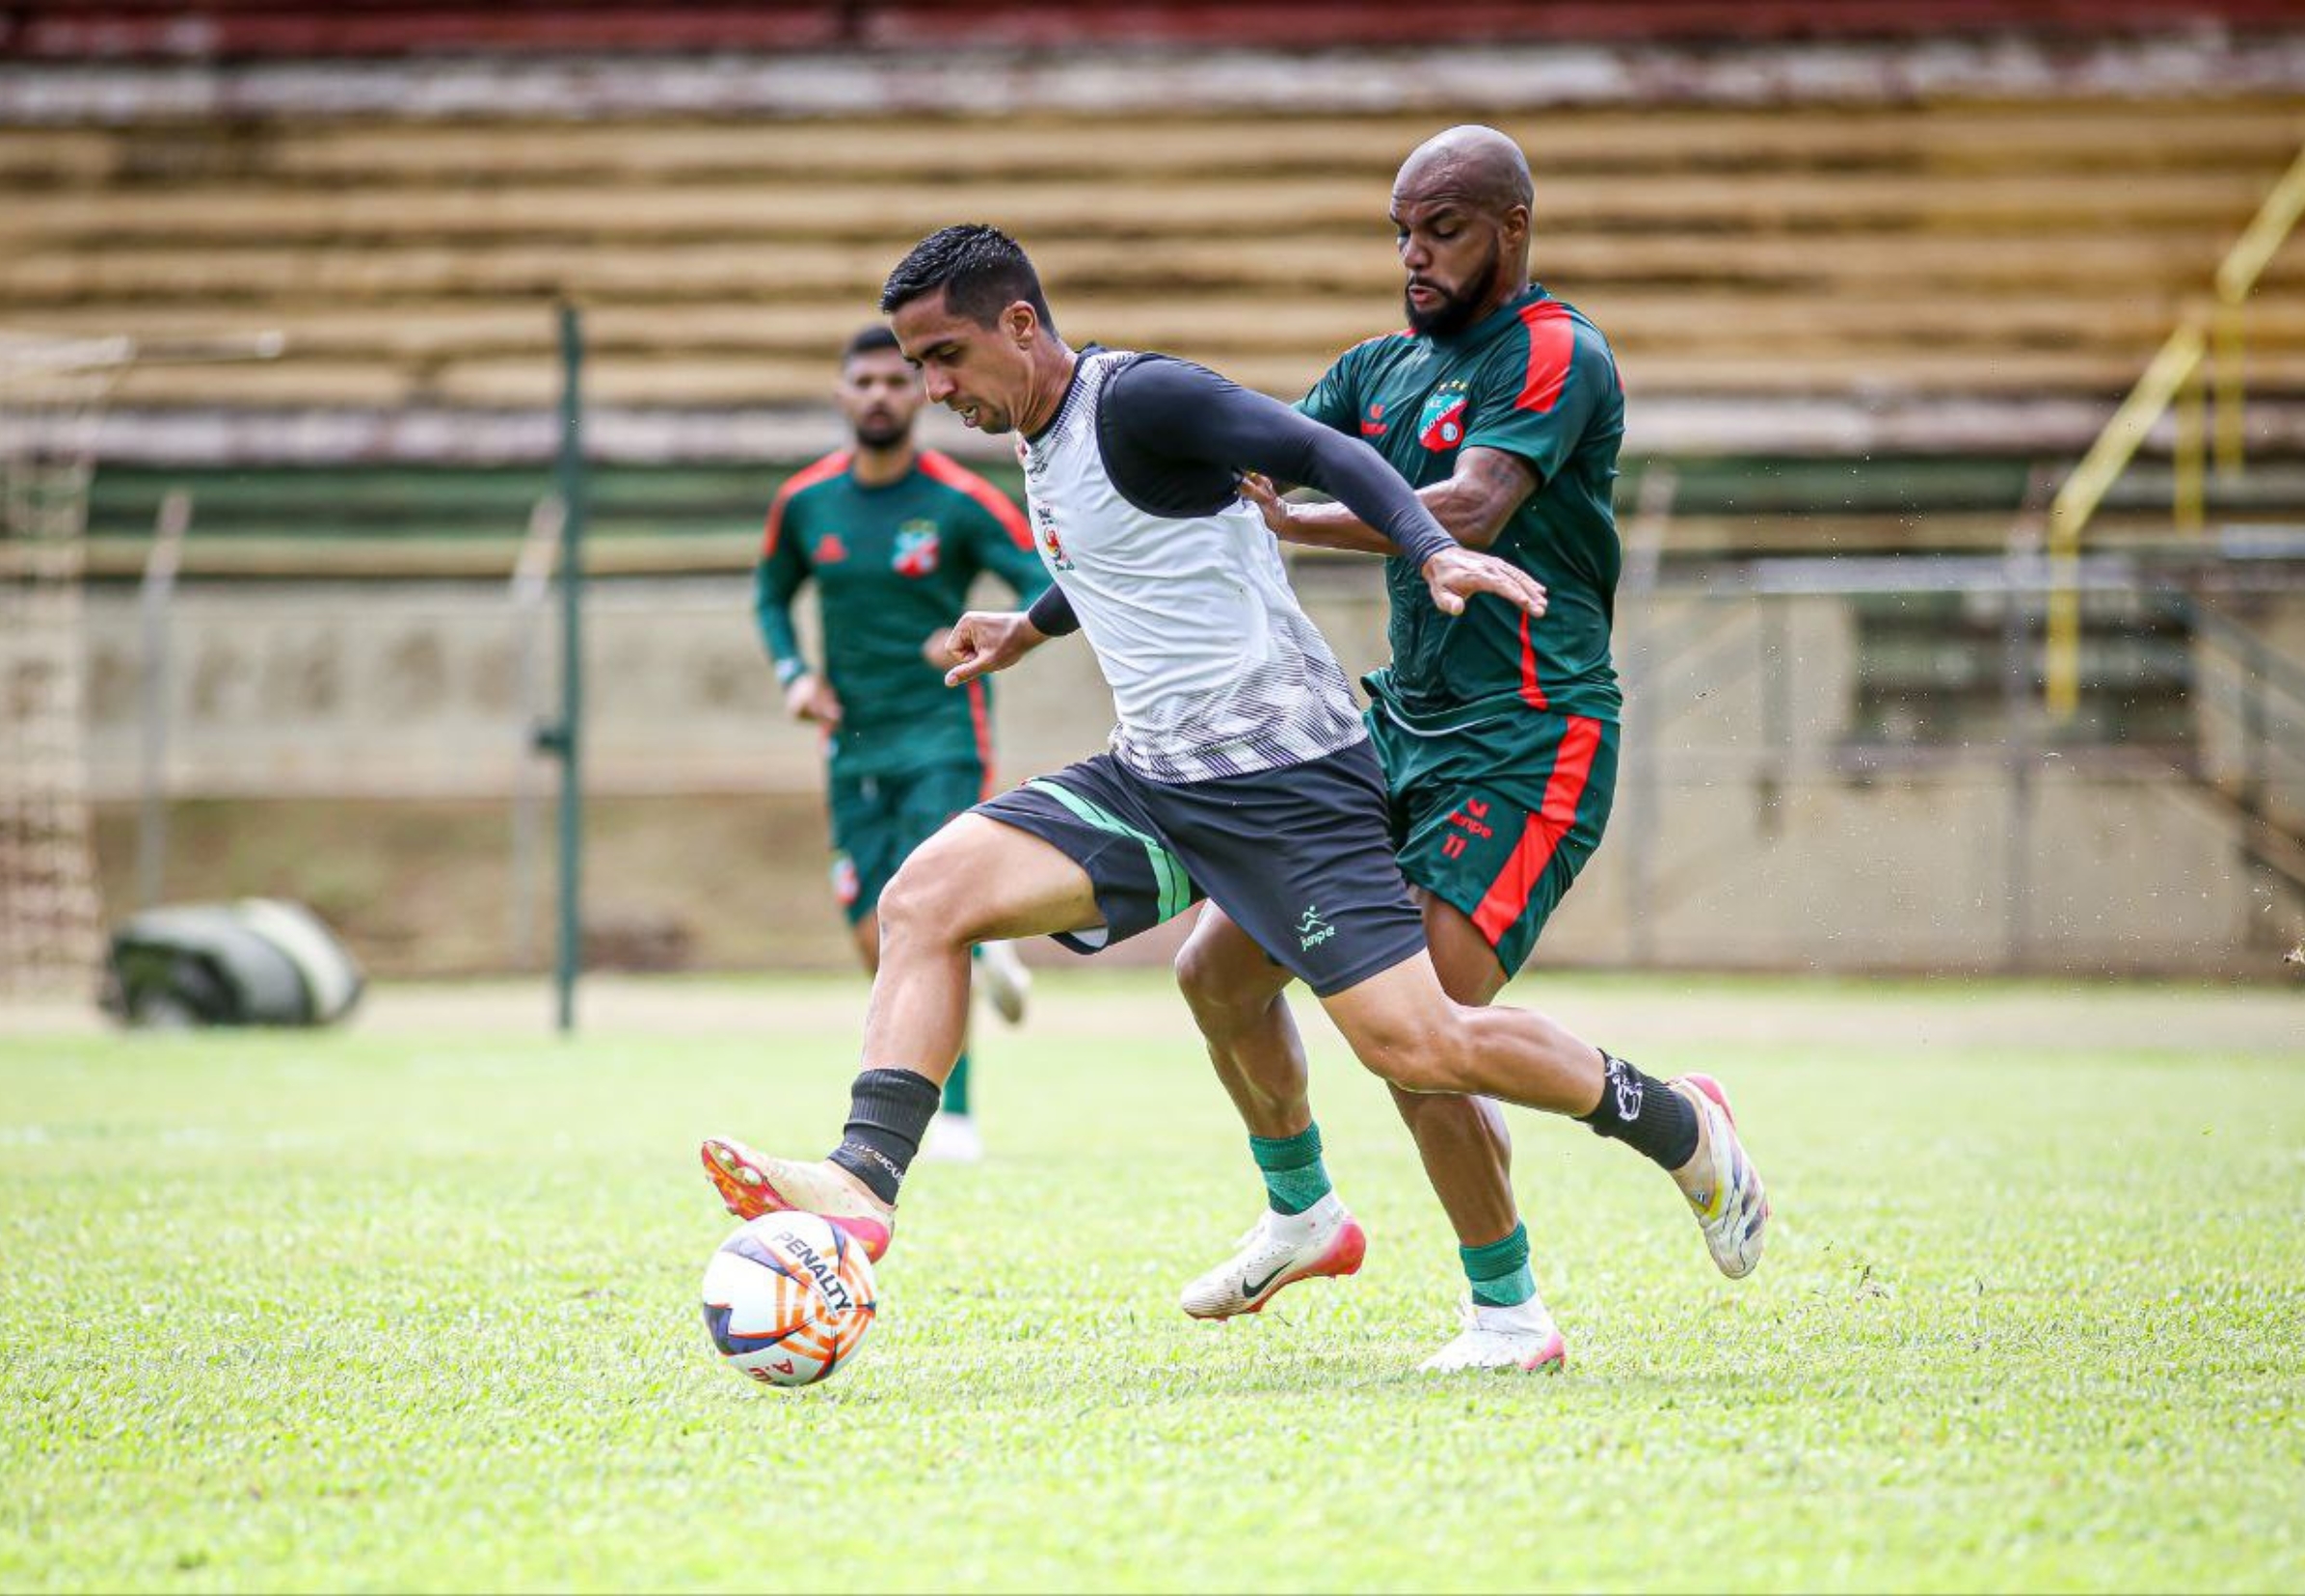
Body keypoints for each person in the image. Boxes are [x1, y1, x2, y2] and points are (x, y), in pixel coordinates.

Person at [702, 226, 1766, 1372]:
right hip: (1157, 776)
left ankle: (1677, 1123)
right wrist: (1029, 626)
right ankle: (869, 1185)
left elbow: (1322, 451)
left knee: (1419, 1044)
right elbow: (1114, 551)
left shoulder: (1145, 398)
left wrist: (1429, 546)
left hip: (1288, 785)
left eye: (945, 356)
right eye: (919, 367)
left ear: (1020, 324)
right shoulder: (1040, 428)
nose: (935, 388)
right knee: (932, 900)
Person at [1166, 124, 1752, 1372]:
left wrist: (1302, 524)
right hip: (1391, 726)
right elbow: (1244, 460)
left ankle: (1515, 1306)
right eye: (1399, 232)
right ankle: (1303, 1211)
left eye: (1440, 229)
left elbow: (1472, 506)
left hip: (1528, 736)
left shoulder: (1554, 353)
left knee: (1415, 1028)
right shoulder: (1376, 369)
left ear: (1511, 227)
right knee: (1214, 972)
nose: (1413, 255)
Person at [753, 324, 1047, 1160]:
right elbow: (771, 594)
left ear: (917, 392)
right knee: (870, 931)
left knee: (932, 914)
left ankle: (954, 1113)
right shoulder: (807, 502)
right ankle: (987, 957)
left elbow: (1038, 577)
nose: (879, 395)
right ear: (842, 393)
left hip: (943, 733)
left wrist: (984, 633)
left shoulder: (956, 499)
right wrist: (793, 675)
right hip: (851, 741)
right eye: (864, 381)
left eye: (895, 379)